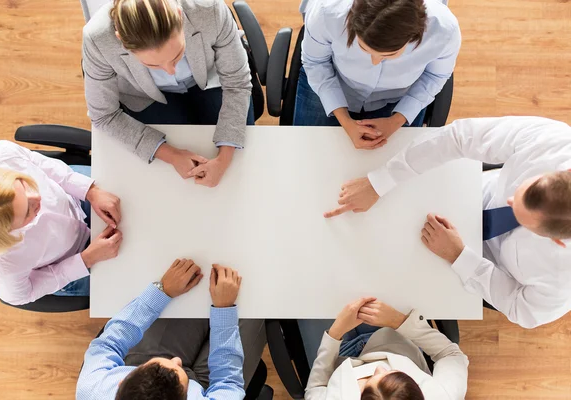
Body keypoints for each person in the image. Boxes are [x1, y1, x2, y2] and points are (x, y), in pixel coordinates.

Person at [325, 116, 571, 329]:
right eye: (519, 192)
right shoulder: (555, 142)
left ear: (558, 241)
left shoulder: (563, 278)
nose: (509, 200)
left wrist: (459, 256)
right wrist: (380, 181)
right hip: (464, 191)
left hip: (475, 268)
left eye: (521, 217)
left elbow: (522, 309)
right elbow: (459, 137)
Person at [82, 0, 254, 188]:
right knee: (166, 180)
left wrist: (224, 159)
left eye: (178, 55)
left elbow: (237, 83)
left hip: (209, 79)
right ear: (121, 40)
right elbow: (104, 115)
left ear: (180, 17)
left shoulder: (209, 8)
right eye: (153, 65)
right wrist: (171, 155)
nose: (169, 71)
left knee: (242, 164)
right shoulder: (97, 39)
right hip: (144, 96)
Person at [76, 259, 266, 400]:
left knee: (190, 281)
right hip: (209, 389)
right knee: (254, 301)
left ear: (121, 383)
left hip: (143, 363)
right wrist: (224, 310)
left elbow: (109, 343)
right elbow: (228, 383)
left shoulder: (93, 388)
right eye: (177, 365)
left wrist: (162, 291)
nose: (177, 361)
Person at [294, 0, 461, 151]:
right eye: (364, 49)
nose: (375, 61)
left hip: (399, 97)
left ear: (415, 35)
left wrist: (395, 121)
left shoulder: (444, 30)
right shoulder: (326, 11)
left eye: (390, 55)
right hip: (333, 80)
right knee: (307, 153)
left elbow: (434, 76)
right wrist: (345, 120)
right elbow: (316, 63)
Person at [0, 140, 122, 305]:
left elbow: (38, 162)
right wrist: (86, 259)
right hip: (73, 259)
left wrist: (89, 190)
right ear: (7, 232)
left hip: (73, 193)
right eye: (28, 211)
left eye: (23, 184)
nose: (37, 197)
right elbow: (23, 294)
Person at [303, 297, 468, 399]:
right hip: (392, 335)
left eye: (369, 381)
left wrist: (335, 333)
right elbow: (450, 354)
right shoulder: (441, 397)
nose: (381, 367)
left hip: (337, 356)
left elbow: (315, 389)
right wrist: (398, 321)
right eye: (393, 373)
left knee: (309, 290)